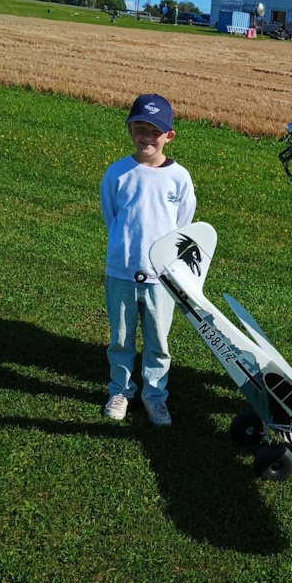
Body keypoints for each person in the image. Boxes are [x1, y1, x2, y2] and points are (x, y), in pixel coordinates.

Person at [100, 92, 195, 426]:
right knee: (121, 338)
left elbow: (183, 224)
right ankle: (121, 391)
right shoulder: (118, 174)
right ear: (129, 131)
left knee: (157, 341)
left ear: (168, 135)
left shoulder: (179, 178)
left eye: (154, 131)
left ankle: (155, 396)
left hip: (161, 279)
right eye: (139, 128)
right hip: (122, 273)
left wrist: (166, 264)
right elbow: (112, 218)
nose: (146, 136)